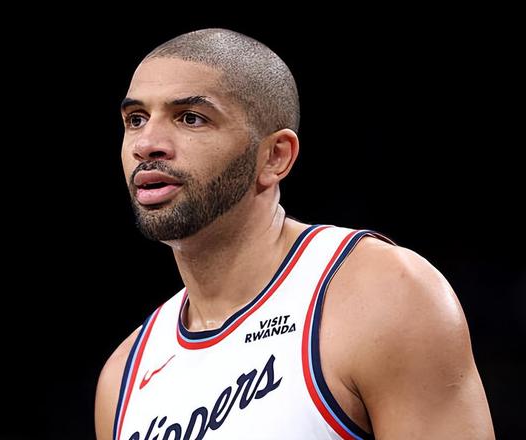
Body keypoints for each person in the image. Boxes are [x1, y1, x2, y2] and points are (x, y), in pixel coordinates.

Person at [95, 28, 494, 440]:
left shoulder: (381, 294)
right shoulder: (123, 377)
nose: (147, 144)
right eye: (136, 119)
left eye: (190, 118)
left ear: (275, 156)